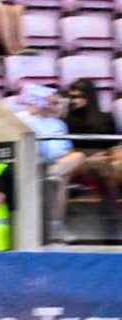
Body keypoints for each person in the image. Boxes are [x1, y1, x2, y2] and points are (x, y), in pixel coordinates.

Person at [13, 83, 80, 242]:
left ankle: (56, 224)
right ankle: (53, 224)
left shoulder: (59, 124)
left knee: (76, 158)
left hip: (54, 165)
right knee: (60, 178)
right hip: (29, 164)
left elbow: (66, 151)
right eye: (53, 103)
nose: (57, 106)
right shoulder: (20, 119)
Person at [63, 78, 119, 239]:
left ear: (89, 97)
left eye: (78, 96)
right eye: (71, 97)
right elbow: (67, 149)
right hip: (78, 162)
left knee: (108, 172)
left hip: (104, 160)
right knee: (104, 171)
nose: (73, 101)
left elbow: (113, 145)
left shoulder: (106, 119)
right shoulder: (66, 121)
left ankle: (111, 220)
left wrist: (107, 155)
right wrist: (92, 156)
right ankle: (112, 219)